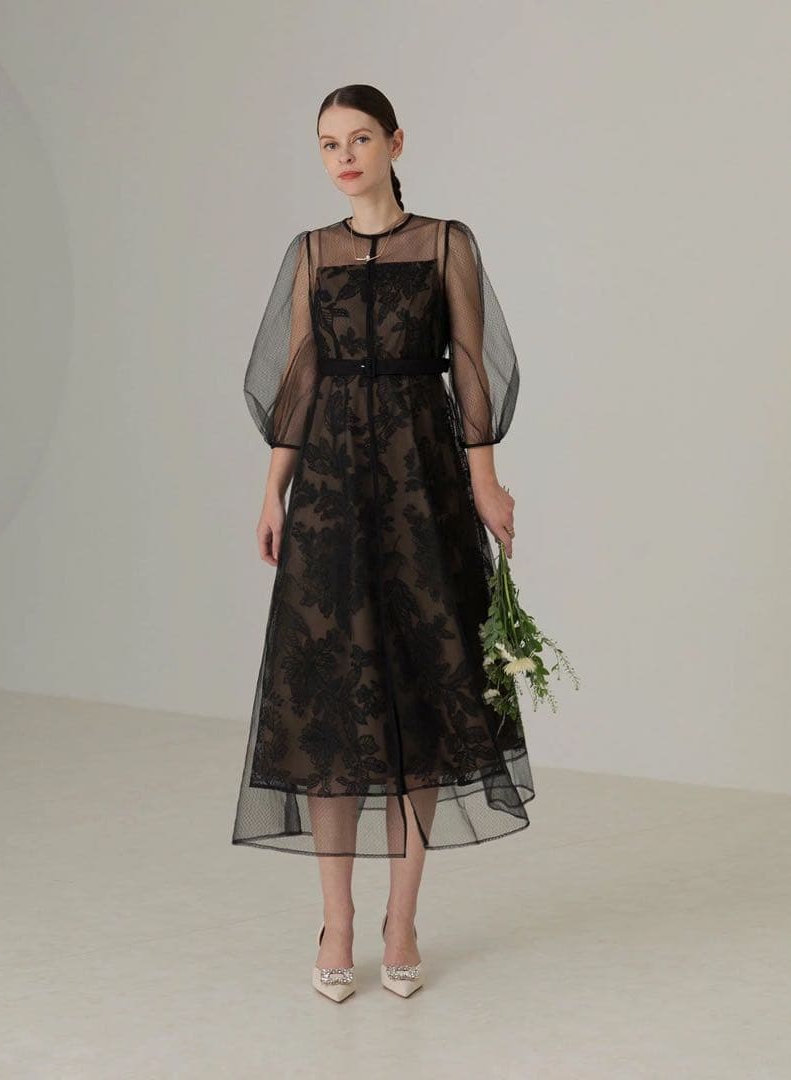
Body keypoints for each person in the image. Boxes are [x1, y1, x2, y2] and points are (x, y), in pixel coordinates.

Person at [231, 84, 535, 1001]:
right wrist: (273, 489)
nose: (344, 157)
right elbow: (299, 378)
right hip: (330, 487)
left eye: (359, 139)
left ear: (396, 143)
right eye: (329, 144)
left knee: (421, 694)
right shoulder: (311, 252)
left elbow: (471, 373)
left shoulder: (445, 244)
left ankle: (403, 917)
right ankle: (339, 920)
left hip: (421, 483)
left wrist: (485, 480)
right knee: (329, 702)